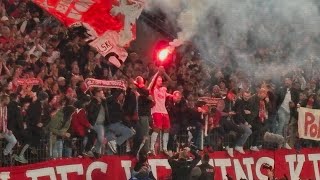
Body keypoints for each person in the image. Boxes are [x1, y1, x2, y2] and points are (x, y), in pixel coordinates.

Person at [148, 67, 173, 155]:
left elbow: (171, 83)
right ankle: (151, 148)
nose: (160, 81)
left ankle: (165, 149)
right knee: (157, 129)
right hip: (156, 111)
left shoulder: (163, 89)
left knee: (167, 129)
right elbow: (151, 81)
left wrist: (164, 72)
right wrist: (158, 72)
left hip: (164, 112)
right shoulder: (153, 89)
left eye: (161, 80)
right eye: (158, 80)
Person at [106, 90, 135, 154]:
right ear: (118, 95)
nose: (123, 97)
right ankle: (116, 143)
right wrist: (130, 126)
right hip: (114, 124)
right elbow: (122, 116)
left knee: (111, 150)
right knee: (129, 132)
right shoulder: (115, 104)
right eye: (122, 95)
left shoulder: (115, 103)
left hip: (114, 124)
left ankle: (115, 144)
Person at [0, 94, 17, 165]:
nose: (9, 101)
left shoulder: (6, 108)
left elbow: (5, 120)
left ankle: (4, 154)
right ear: (4, 100)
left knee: (13, 141)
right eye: (8, 99)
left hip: (4, 130)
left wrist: (7, 130)